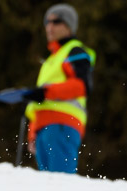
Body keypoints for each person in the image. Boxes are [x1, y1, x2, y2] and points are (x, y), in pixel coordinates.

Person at [23, 4, 96, 174]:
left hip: (62, 125)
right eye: (47, 22)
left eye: (56, 21)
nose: (50, 26)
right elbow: (40, 102)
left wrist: (45, 92)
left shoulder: (74, 51)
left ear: (69, 26)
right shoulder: (52, 59)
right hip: (44, 129)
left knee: (60, 185)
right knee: (49, 187)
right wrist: (33, 132)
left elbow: (83, 85)